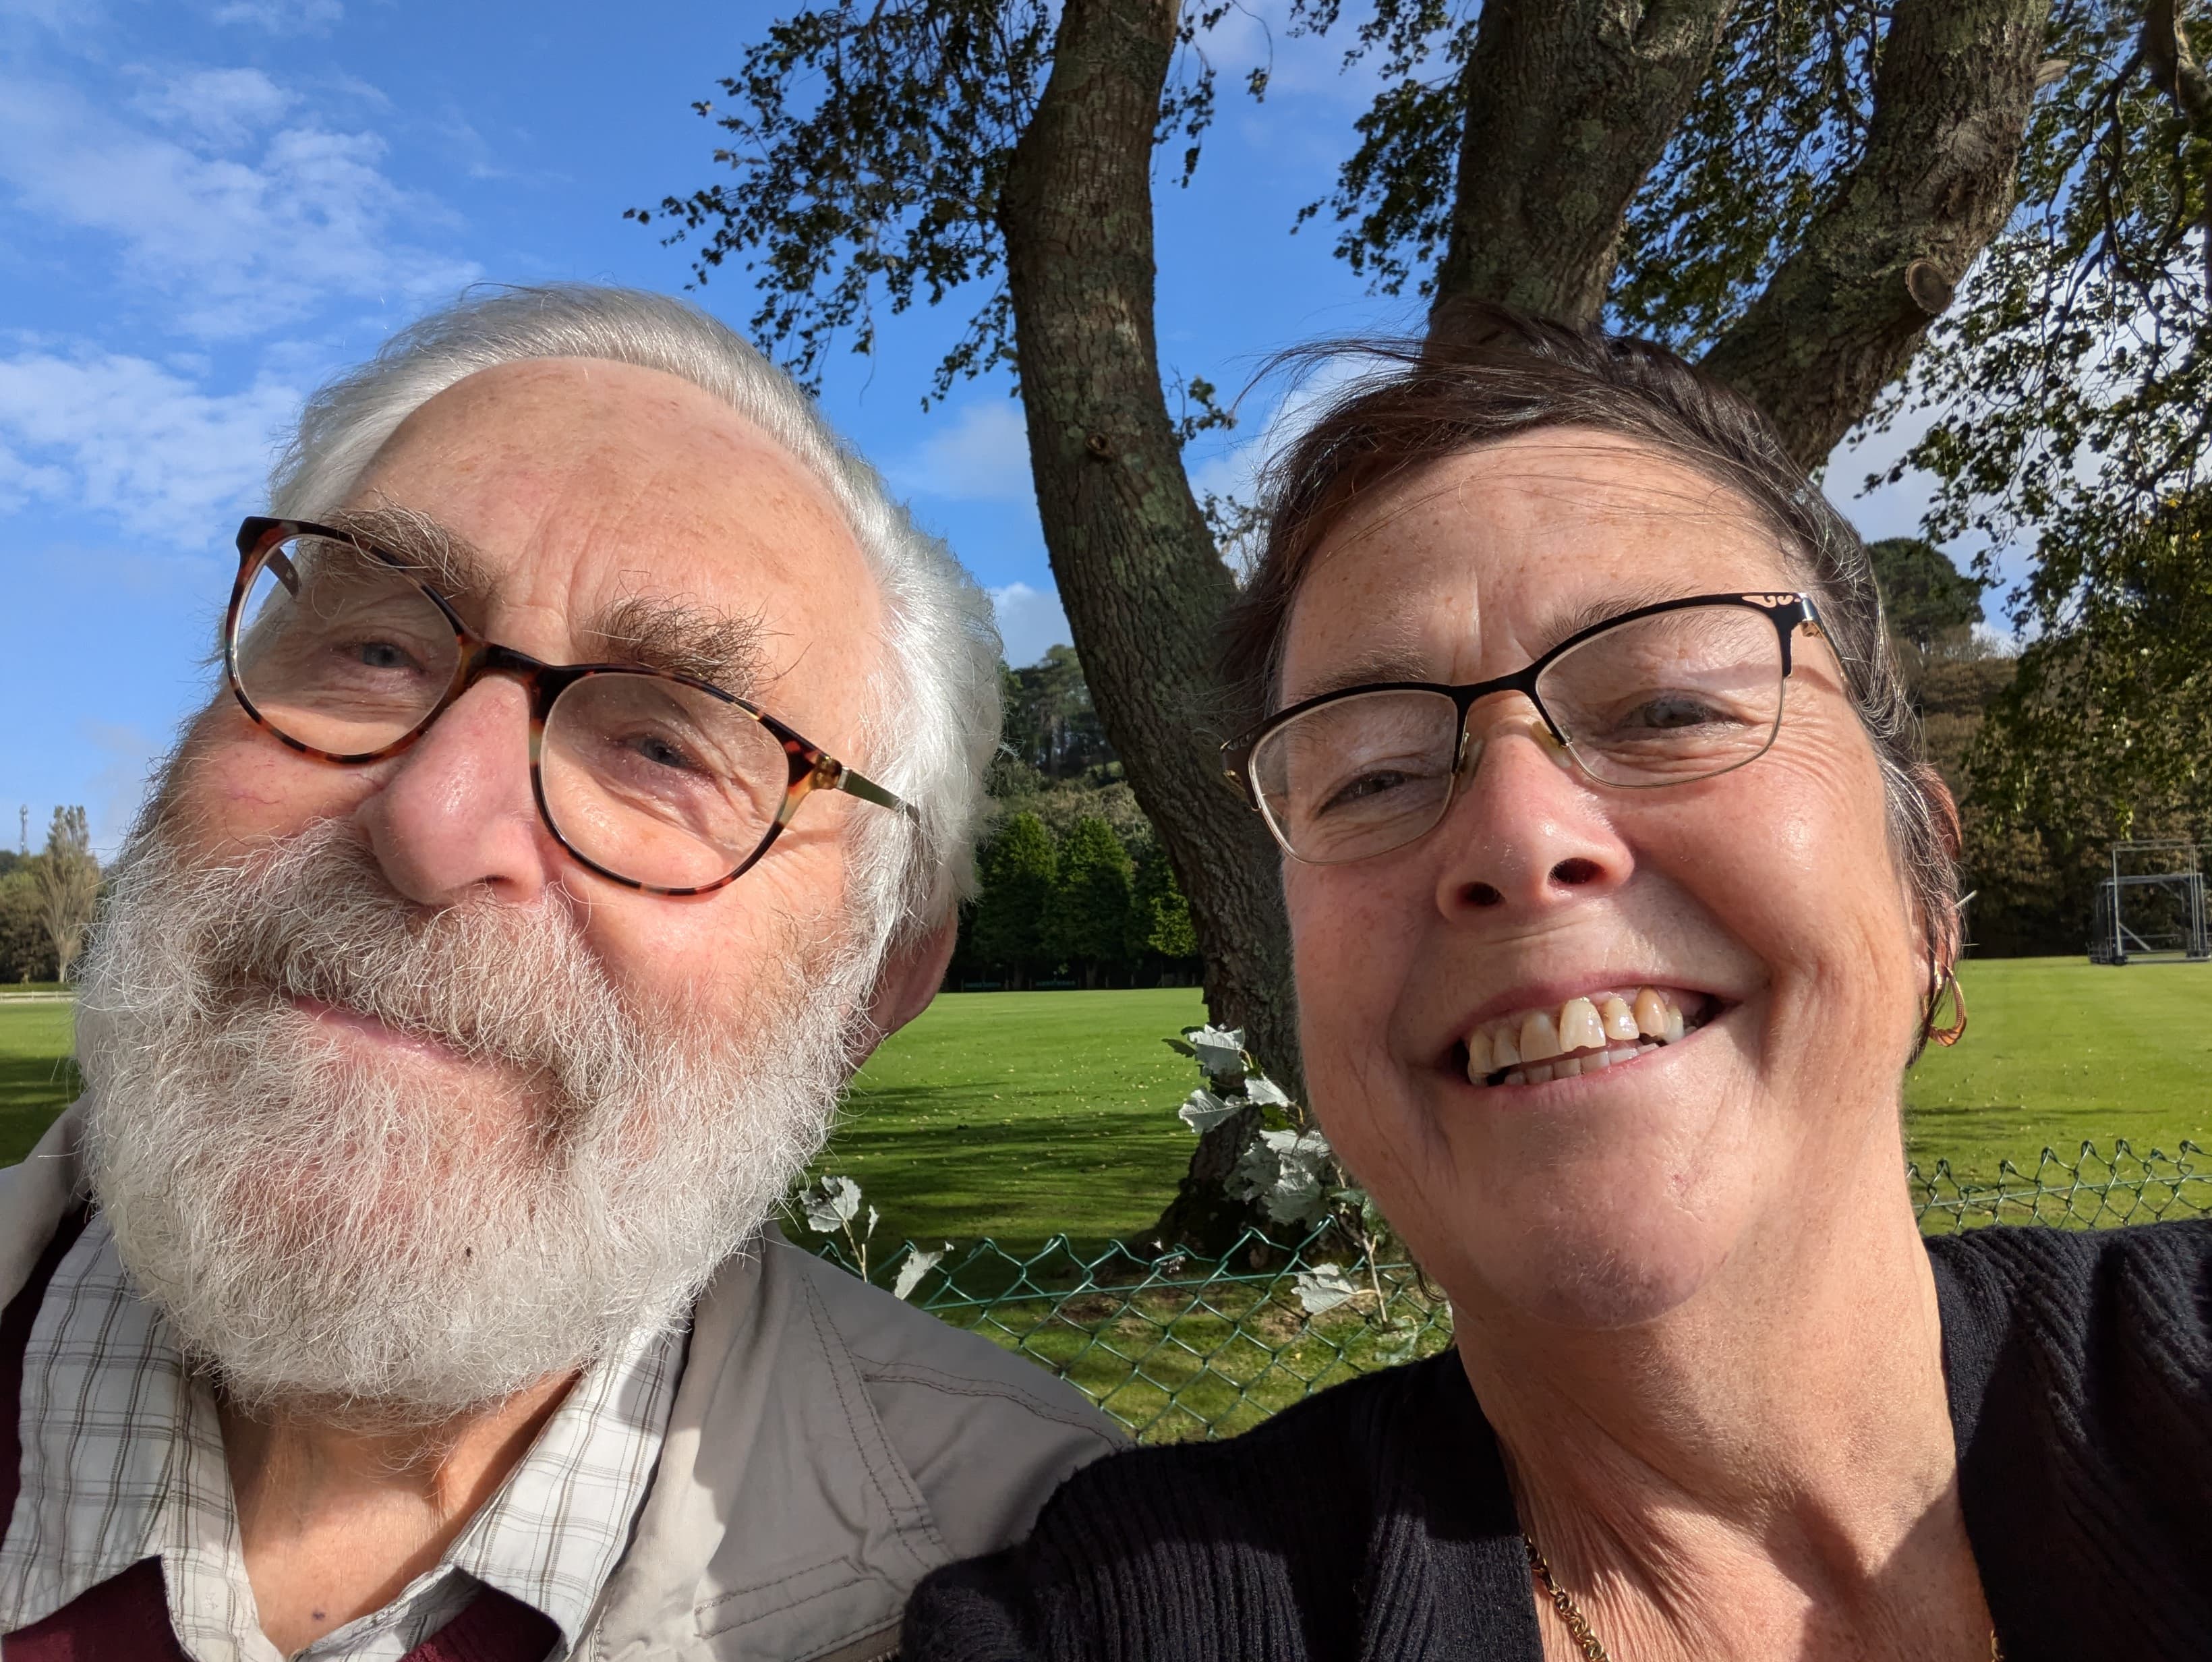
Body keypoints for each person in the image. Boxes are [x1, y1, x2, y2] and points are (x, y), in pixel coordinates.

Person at [904, 311, 2212, 1662]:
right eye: (1373, 774)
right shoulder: (1120, 1622)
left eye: (1665, 706)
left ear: (1923, 885)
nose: (1519, 838)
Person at [0, 285, 1121, 1662]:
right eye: (372, 647)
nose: (432, 820)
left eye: (662, 748)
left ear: (871, 987)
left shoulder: (1059, 1581)